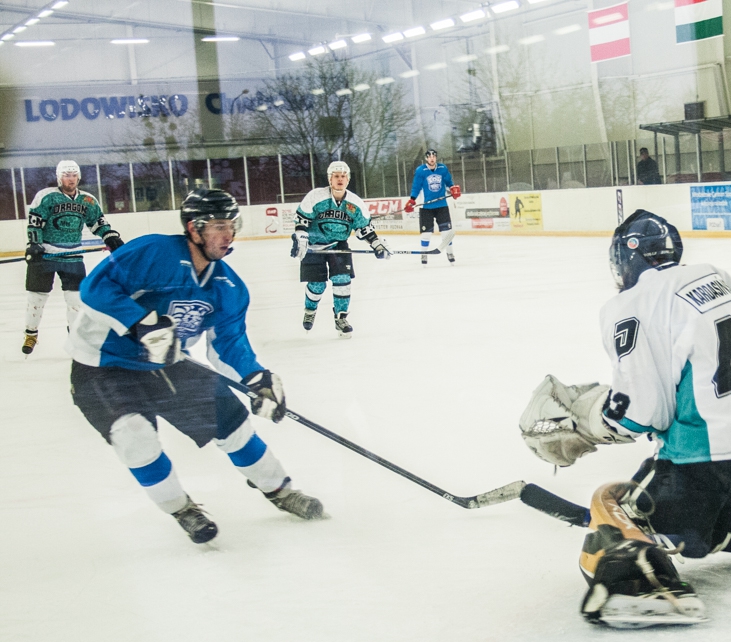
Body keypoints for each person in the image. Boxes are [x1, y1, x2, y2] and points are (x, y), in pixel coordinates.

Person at [518, 209, 731, 629]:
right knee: (728, 516)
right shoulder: (714, 277)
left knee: (613, 501)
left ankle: (643, 585)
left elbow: (643, 412)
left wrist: (595, 422)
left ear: (627, 259)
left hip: (702, 466)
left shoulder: (627, 305)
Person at [66, 189, 324, 544]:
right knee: (134, 436)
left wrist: (255, 378)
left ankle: (280, 490)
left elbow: (228, 342)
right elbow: (95, 287)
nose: (228, 234)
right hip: (102, 364)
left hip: (168, 362)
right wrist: (139, 321)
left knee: (232, 425)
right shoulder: (153, 252)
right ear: (194, 228)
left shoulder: (228, 286)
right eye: (219, 226)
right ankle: (181, 508)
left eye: (232, 225)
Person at [21, 160, 124, 356]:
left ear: (79, 177)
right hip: (46, 255)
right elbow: (34, 224)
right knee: (37, 297)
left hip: (73, 257)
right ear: (59, 178)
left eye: (74, 175)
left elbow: (98, 223)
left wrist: (109, 236)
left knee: (75, 300)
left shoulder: (88, 200)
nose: (71, 179)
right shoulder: (46, 197)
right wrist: (34, 244)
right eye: (67, 175)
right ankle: (31, 333)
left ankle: (75, 337)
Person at [292, 161, 389, 338]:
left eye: (343, 176)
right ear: (330, 179)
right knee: (317, 285)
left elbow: (364, 228)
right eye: (336, 176)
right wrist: (301, 236)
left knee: (343, 280)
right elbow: (302, 220)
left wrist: (376, 244)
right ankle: (310, 309)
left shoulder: (355, 203)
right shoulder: (316, 197)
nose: (339, 179)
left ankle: (341, 318)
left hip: (338, 245)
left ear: (348, 179)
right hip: (314, 247)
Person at [405, 149, 460, 266]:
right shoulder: (421, 171)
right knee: (426, 234)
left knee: (447, 233)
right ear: (426, 158)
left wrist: (452, 189)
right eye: (429, 156)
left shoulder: (442, 168)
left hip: (442, 206)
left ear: (436, 157)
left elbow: (449, 182)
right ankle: (424, 254)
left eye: (433, 156)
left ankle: (450, 253)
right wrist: (412, 199)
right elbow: (416, 186)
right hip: (426, 207)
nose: (432, 158)